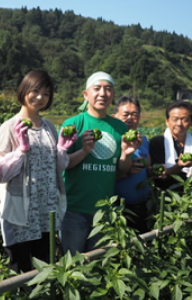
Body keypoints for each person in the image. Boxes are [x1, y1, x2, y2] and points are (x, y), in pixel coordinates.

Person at [0, 70, 76, 272]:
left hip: (46, 209)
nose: (40, 97)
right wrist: (21, 150)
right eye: (36, 90)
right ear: (24, 90)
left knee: (45, 269)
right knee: (20, 271)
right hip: (21, 213)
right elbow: (0, 173)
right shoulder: (9, 127)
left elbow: (57, 167)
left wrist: (62, 149)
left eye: (46, 94)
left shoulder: (49, 127)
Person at [60, 71, 141, 254]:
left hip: (104, 211)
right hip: (74, 209)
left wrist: (126, 155)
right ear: (86, 94)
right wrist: (84, 151)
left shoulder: (119, 127)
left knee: (98, 265)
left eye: (108, 89)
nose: (102, 93)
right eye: (97, 88)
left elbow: (122, 169)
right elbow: (61, 164)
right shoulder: (73, 124)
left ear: (113, 95)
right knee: (72, 265)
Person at [149, 100, 192, 191]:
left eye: (184, 119)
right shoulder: (157, 143)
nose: (179, 123)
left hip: (186, 196)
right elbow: (157, 174)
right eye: (175, 119)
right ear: (167, 121)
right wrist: (179, 166)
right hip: (161, 196)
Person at [113, 96, 151, 233]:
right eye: (125, 114)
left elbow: (148, 169)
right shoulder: (111, 142)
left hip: (143, 206)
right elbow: (102, 177)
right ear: (114, 116)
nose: (130, 118)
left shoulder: (143, 141)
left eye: (134, 115)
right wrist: (126, 173)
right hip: (119, 208)